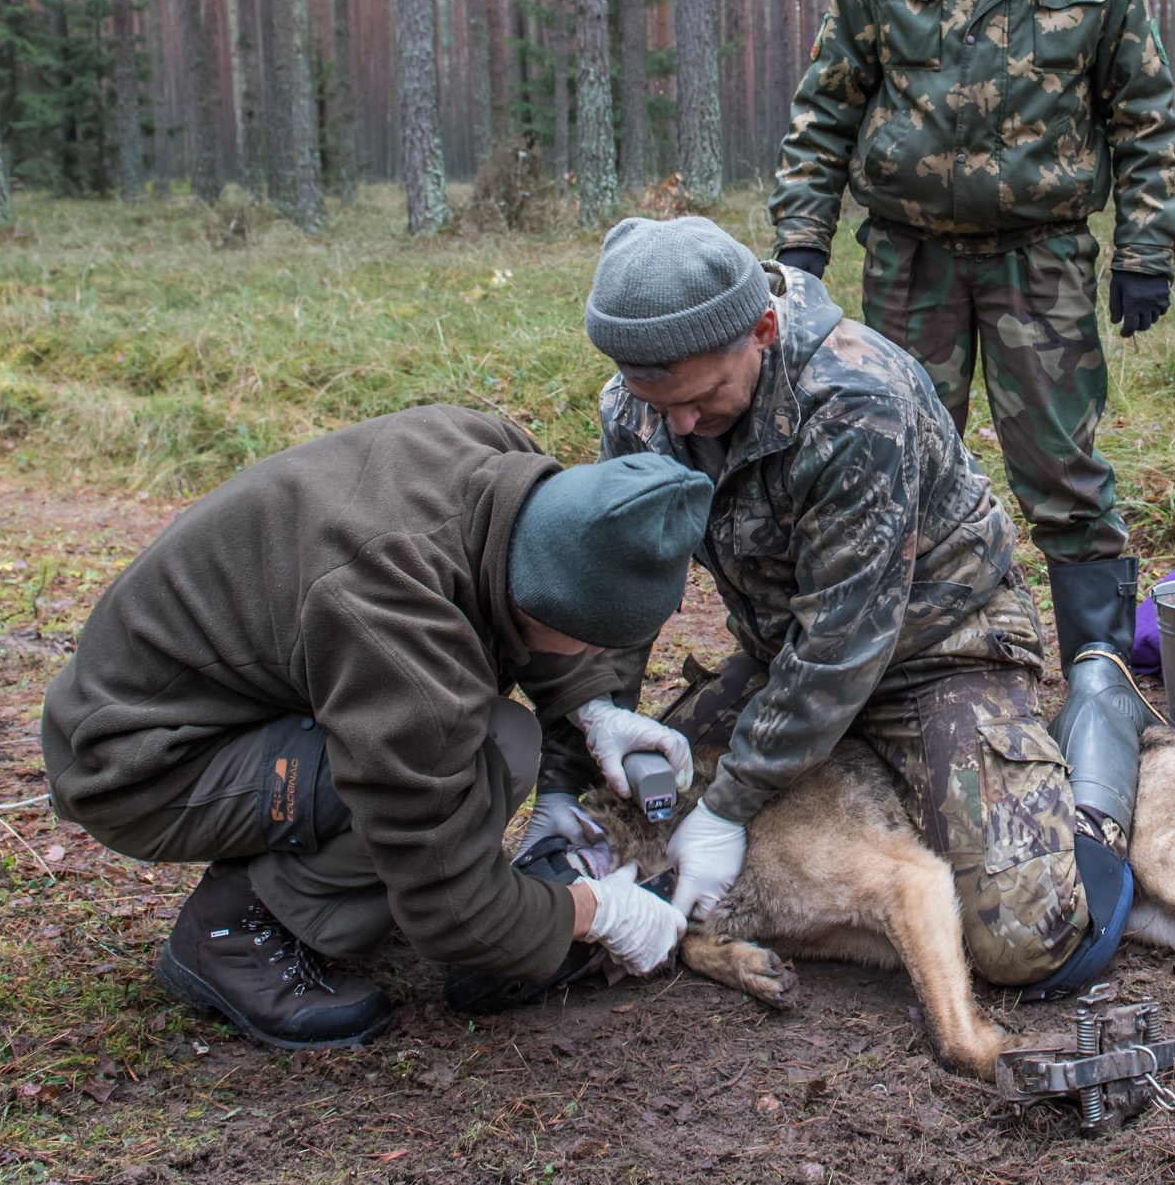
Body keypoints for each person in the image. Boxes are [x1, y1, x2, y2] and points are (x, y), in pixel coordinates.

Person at [578, 216, 1158, 998]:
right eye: (659, 400)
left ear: (762, 327)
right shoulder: (638, 408)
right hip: (787, 654)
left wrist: (731, 805)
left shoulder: (856, 398)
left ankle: (1098, 745)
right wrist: (579, 743)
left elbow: (843, 642)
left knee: (1033, 942)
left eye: (703, 398)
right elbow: (619, 584)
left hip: (938, 650)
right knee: (616, 826)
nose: (680, 425)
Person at [41, 408, 711, 1049]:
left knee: (493, 744)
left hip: (228, 703)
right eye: (594, 646)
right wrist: (596, 912)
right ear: (537, 603)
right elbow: (454, 911)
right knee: (480, 760)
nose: (597, 658)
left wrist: (589, 706)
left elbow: (519, 591)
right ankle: (235, 935)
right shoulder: (395, 629)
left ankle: (323, 889)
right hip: (140, 759)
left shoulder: (500, 462)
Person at [767, 0, 1175, 673]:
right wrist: (800, 245)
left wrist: (1146, 249)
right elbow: (828, 103)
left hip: (1041, 261)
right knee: (893, 464)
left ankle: (1099, 686)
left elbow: (1146, 118)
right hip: (907, 260)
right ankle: (904, 667)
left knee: (1065, 477)